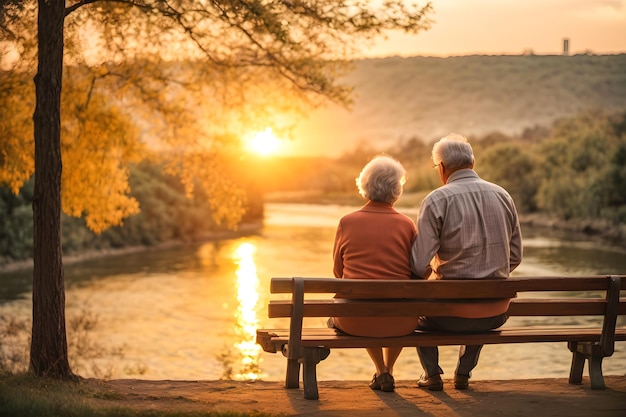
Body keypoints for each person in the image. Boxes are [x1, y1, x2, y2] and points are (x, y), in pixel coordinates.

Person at [410, 133, 522, 391]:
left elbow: (417, 266)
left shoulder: (436, 200)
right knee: (484, 292)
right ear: (472, 163)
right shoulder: (503, 195)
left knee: (411, 307)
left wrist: (438, 270)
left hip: (447, 315)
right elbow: (515, 257)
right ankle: (463, 372)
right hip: (495, 313)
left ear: (442, 168)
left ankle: (432, 374)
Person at [329, 154, 418, 393]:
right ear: (397, 189)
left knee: (360, 305)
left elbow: (338, 272)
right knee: (397, 306)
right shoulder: (407, 224)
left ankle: (381, 370)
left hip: (355, 320)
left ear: (364, 185)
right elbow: (415, 271)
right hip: (401, 321)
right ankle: (387, 369)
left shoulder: (347, 222)